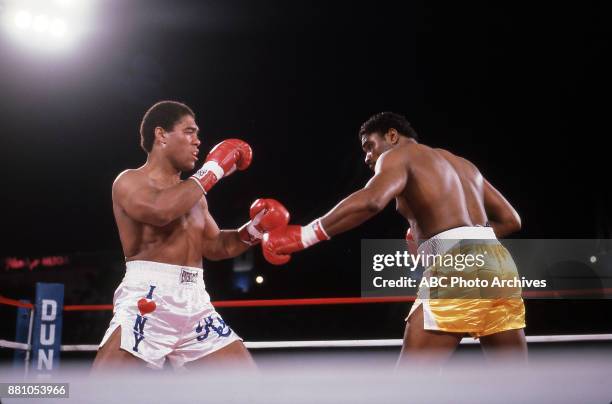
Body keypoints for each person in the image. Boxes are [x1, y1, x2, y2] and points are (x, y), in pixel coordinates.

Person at [262, 112, 526, 367]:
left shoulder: (399, 156)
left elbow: (371, 201)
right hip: (499, 265)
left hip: (456, 267)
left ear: (392, 135)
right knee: (516, 383)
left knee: (408, 386)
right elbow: (511, 220)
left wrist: (305, 235)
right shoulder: (464, 165)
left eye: (369, 146)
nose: (367, 157)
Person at [92, 100, 289, 371]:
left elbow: (216, 245)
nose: (198, 141)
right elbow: (162, 211)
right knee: (104, 393)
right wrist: (214, 170)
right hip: (148, 296)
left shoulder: (195, 195)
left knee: (248, 388)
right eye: (189, 132)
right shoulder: (129, 181)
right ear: (161, 135)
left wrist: (255, 229)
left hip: (195, 301)